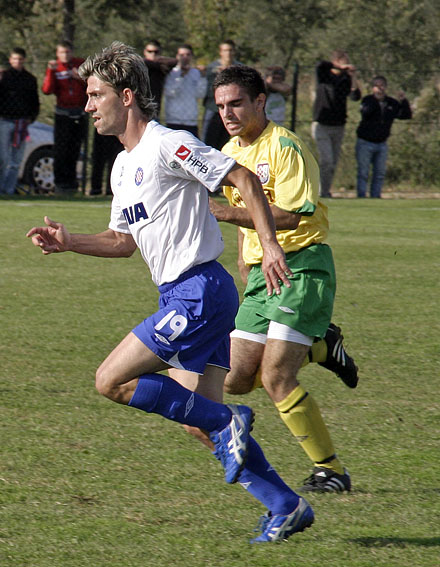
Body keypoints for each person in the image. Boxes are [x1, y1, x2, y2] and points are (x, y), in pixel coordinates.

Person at [27, 42, 313, 543]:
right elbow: (121, 243)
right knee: (196, 422)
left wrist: (269, 246)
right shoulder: (122, 166)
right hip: (184, 295)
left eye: (96, 94)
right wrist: (70, 242)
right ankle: (284, 505)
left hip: (200, 293)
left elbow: (242, 177)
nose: (88, 105)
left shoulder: (167, 144)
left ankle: (230, 422)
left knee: (110, 380)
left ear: (128, 95)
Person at [211, 64, 356, 494]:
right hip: (261, 275)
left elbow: (291, 214)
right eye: (220, 105)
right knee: (235, 379)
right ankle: (321, 347)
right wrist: (243, 260)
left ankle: (331, 471)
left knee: (275, 377)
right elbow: (247, 222)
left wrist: (222, 212)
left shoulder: (285, 146)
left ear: (261, 101)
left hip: (301, 266)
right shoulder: (227, 152)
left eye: (236, 102)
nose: (228, 112)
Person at [0, 47, 39, 195]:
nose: (17, 62)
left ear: (24, 60)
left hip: (21, 123)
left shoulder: (30, 79)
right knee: (3, 158)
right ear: (10, 60)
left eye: (20, 59)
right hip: (4, 120)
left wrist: (31, 117)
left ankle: (9, 189)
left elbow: (34, 101)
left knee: (16, 161)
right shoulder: (3, 77)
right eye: (15, 59)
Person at [311, 50, 361, 197]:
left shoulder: (345, 79)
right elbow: (319, 65)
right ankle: (318, 191)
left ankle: (325, 192)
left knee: (332, 164)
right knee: (326, 160)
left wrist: (353, 77)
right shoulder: (324, 76)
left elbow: (355, 96)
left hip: (339, 125)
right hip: (322, 125)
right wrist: (338, 67)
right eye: (343, 62)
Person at [42, 40, 87, 194]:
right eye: (62, 52)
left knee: (74, 151)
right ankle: (60, 184)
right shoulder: (56, 68)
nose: (65, 55)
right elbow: (47, 90)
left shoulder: (80, 64)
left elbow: (90, 86)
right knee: (61, 151)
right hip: (62, 114)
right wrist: (50, 71)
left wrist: (79, 78)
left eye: (67, 52)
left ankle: (72, 184)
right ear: (57, 54)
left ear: (72, 52)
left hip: (79, 114)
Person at [355, 76, 411, 198]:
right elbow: (366, 112)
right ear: (372, 88)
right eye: (377, 86)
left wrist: (403, 101)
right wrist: (377, 102)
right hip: (365, 142)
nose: (380, 89)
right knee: (363, 172)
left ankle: (376, 196)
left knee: (379, 173)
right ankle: (361, 196)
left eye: (382, 86)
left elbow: (405, 115)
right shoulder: (367, 100)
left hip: (382, 143)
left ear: (386, 87)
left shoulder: (391, 103)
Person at [202, 39, 241, 149]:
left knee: (227, 141)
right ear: (220, 52)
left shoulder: (239, 68)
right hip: (212, 108)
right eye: (225, 50)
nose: (228, 53)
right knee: (208, 141)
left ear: (234, 52)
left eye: (230, 50)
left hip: (231, 109)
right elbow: (207, 90)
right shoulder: (212, 68)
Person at [162, 43, 207, 136]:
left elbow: (200, 94)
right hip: (173, 120)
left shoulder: (196, 73)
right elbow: (170, 92)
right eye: (182, 55)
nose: (185, 57)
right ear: (177, 56)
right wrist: (181, 76)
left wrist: (203, 77)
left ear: (191, 56)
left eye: (188, 55)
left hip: (191, 121)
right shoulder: (171, 72)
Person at [141, 40, 176, 113]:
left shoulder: (160, 69)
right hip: (140, 107)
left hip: (154, 108)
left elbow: (174, 61)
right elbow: (143, 62)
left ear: (160, 52)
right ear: (145, 52)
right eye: (150, 51)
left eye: (156, 52)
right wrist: (158, 63)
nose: (153, 54)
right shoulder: (140, 65)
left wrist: (158, 62)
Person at [89, 131, 122, 196]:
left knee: (114, 161)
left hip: (115, 133)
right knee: (98, 159)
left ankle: (111, 189)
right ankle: (96, 189)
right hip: (102, 132)